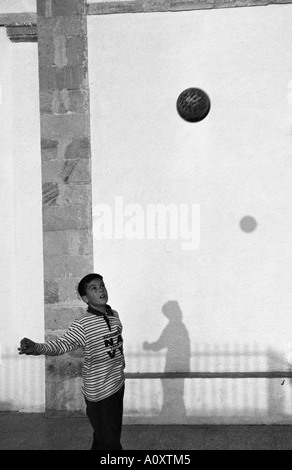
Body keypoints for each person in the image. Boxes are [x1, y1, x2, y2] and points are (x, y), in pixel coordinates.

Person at [18, 273, 125, 450]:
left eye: (102, 286)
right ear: (85, 298)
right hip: (99, 393)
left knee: (104, 437)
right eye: (94, 288)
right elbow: (62, 344)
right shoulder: (82, 324)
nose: (101, 290)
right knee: (111, 444)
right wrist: (37, 348)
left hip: (117, 385)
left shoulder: (114, 315)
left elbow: (116, 344)